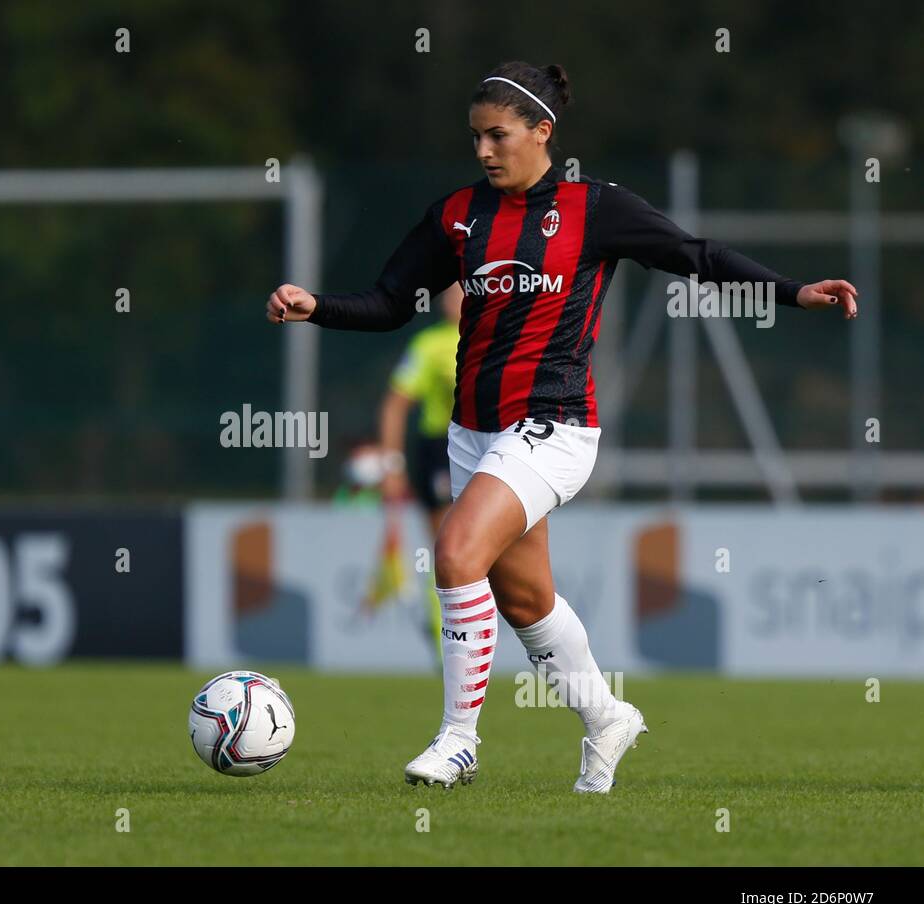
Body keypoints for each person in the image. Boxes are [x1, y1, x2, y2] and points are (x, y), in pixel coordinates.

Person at [264, 61, 857, 794]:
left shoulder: (595, 208)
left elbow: (696, 257)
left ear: (543, 131)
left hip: (555, 425)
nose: (484, 151)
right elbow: (390, 302)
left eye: (499, 135)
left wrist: (795, 292)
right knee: (524, 602)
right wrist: (313, 304)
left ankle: (458, 741)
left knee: (454, 555)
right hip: (474, 433)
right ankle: (607, 717)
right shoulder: (456, 215)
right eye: (476, 137)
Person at [378, 282, 461, 658]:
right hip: (440, 450)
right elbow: (395, 405)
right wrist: (392, 466)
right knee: (447, 544)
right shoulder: (429, 345)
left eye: (462, 289)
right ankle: (443, 636)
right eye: (450, 292)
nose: (453, 298)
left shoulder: (502, 336)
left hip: (494, 446)